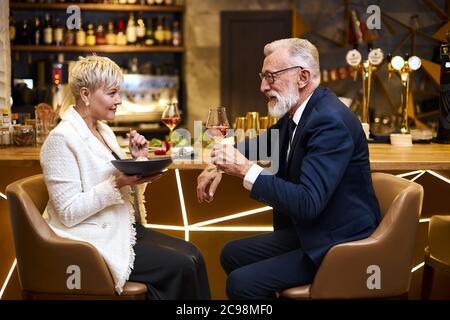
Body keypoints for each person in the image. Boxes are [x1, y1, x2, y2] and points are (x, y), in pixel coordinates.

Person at [197, 38, 381, 299]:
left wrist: (245, 169)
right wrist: (217, 164)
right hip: (315, 230)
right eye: (263, 76)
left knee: (241, 284)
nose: (262, 86)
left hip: (339, 241)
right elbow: (263, 143)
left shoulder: (330, 121)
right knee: (231, 253)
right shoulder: (301, 112)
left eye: (271, 77)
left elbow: (308, 202)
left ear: (302, 77)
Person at [40, 55, 211, 300]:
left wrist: (137, 160)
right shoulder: (61, 139)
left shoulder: (103, 130)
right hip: (88, 241)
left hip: (120, 228)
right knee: (183, 264)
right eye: (111, 93)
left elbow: (119, 180)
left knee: (194, 254)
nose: (119, 101)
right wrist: (119, 182)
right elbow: (68, 212)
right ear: (86, 95)